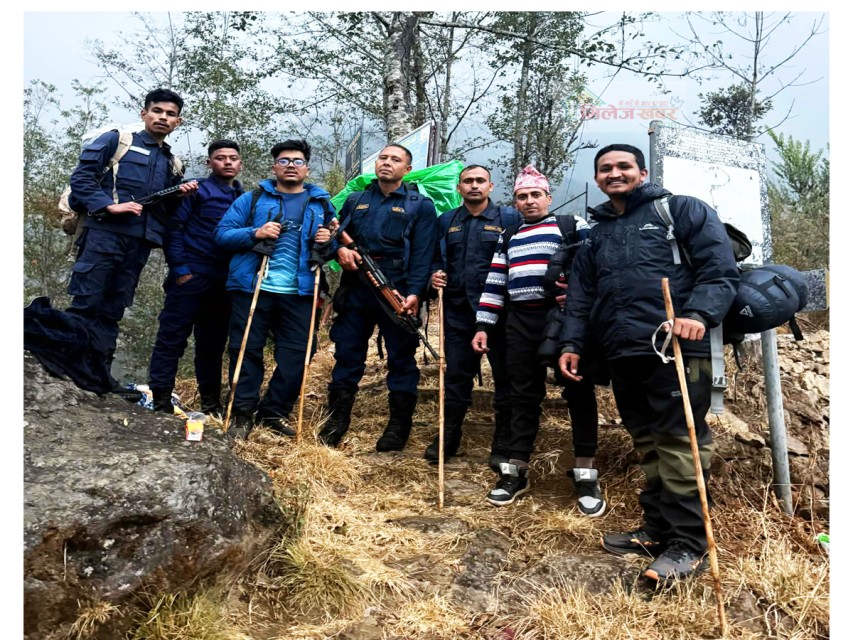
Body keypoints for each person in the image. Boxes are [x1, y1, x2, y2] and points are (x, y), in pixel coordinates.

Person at [558, 144, 739, 583]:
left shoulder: (680, 211)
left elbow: (720, 269)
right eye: (605, 169)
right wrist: (572, 343)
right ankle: (658, 529)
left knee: (679, 443)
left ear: (641, 172)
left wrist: (697, 314)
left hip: (677, 350)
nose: (614, 174)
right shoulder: (596, 234)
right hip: (623, 353)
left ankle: (689, 543)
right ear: (597, 178)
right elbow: (581, 297)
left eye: (623, 166)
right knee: (648, 442)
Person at [472, 165, 604, 516]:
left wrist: (575, 297)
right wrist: (484, 324)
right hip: (519, 319)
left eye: (535, 195)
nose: (529, 201)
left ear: (548, 197)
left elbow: (594, 266)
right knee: (521, 393)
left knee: (577, 389)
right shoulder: (509, 234)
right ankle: (516, 470)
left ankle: (586, 471)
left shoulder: (571, 225)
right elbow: (496, 280)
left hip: (564, 319)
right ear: (514, 201)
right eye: (522, 196)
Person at [66, 88, 198, 398]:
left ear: (178, 122)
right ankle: (67, 372)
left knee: (112, 311)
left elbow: (164, 212)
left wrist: (179, 195)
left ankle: (99, 378)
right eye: (157, 111)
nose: (163, 118)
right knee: (86, 304)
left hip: (138, 244)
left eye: (170, 114)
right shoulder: (117, 140)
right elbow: (82, 179)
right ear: (144, 114)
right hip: (103, 235)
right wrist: (108, 205)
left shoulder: (173, 162)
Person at [318, 144, 438, 451]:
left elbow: (424, 254)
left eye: (395, 159)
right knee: (347, 353)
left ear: (407, 169)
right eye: (383, 157)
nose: (387, 163)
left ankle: (398, 426)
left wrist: (414, 293)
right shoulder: (356, 200)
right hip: (356, 287)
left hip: (395, 287)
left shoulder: (419, 205)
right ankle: (337, 419)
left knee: (401, 357)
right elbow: (333, 237)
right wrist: (339, 251)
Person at [214, 139, 334, 436]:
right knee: (246, 350)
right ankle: (242, 413)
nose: (290, 166)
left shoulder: (321, 204)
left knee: (299, 353)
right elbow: (222, 235)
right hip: (253, 286)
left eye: (297, 161)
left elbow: (331, 248)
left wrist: (327, 242)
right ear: (274, 167)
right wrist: (256, 232)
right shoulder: (252, 199)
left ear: (307, 168)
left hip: (301, 291)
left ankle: (273, 412)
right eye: (284, 161)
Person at [425, 165, 519, 466]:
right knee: (456, 376)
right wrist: (433, 276)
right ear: (459, 188)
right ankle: (449, 435)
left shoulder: (509, 219)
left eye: (480, 181)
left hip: (501, 313)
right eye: (468, 181)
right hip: (458, 312)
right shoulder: (446, 221)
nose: (474, 186)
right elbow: (435, 259)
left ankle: (504, 440)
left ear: (491, 186)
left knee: (506, 377)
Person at [147, 140, 245, 415]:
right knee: (172, 338)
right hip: (191, 276)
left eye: (233, 158)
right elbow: (174, 229)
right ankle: (161, 401)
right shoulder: (195, 190)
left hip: (225, 282)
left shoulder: (243, 197)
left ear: (240, 164)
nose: (227, 162)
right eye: (220, 158)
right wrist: (180, 271)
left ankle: (211, 405)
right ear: (209, 163)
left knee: (212, 346)